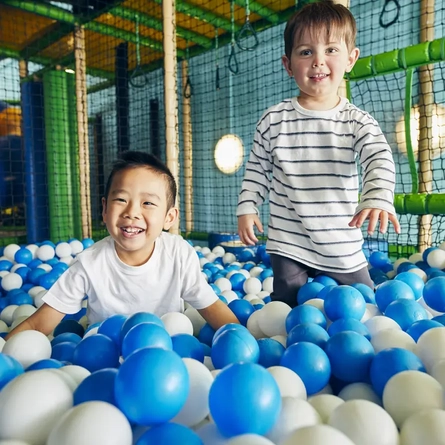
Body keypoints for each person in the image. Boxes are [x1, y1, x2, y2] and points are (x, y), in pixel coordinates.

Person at [237, 0, 400, 307]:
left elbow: (378, 157)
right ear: (288, 65)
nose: (318, 61)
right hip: (289, 239)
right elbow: (257, 168)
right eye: (306, 51)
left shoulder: (356, 121)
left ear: (351, 59)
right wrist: (247, 207)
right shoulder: (274, 119)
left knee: (362, 303)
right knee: (286, 302)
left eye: (331, 50)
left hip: (339, 240)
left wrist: (377, 196)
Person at [7, 151, 238, 338]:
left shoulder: (178, 254)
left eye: (147, 202)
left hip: (164, 354)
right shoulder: (90, 263)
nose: (132, 212)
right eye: (121, 200)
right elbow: (39, 324)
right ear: (105, 209)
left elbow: (212, 307)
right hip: (102, 355)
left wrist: (245, 340)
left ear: (169, 217)